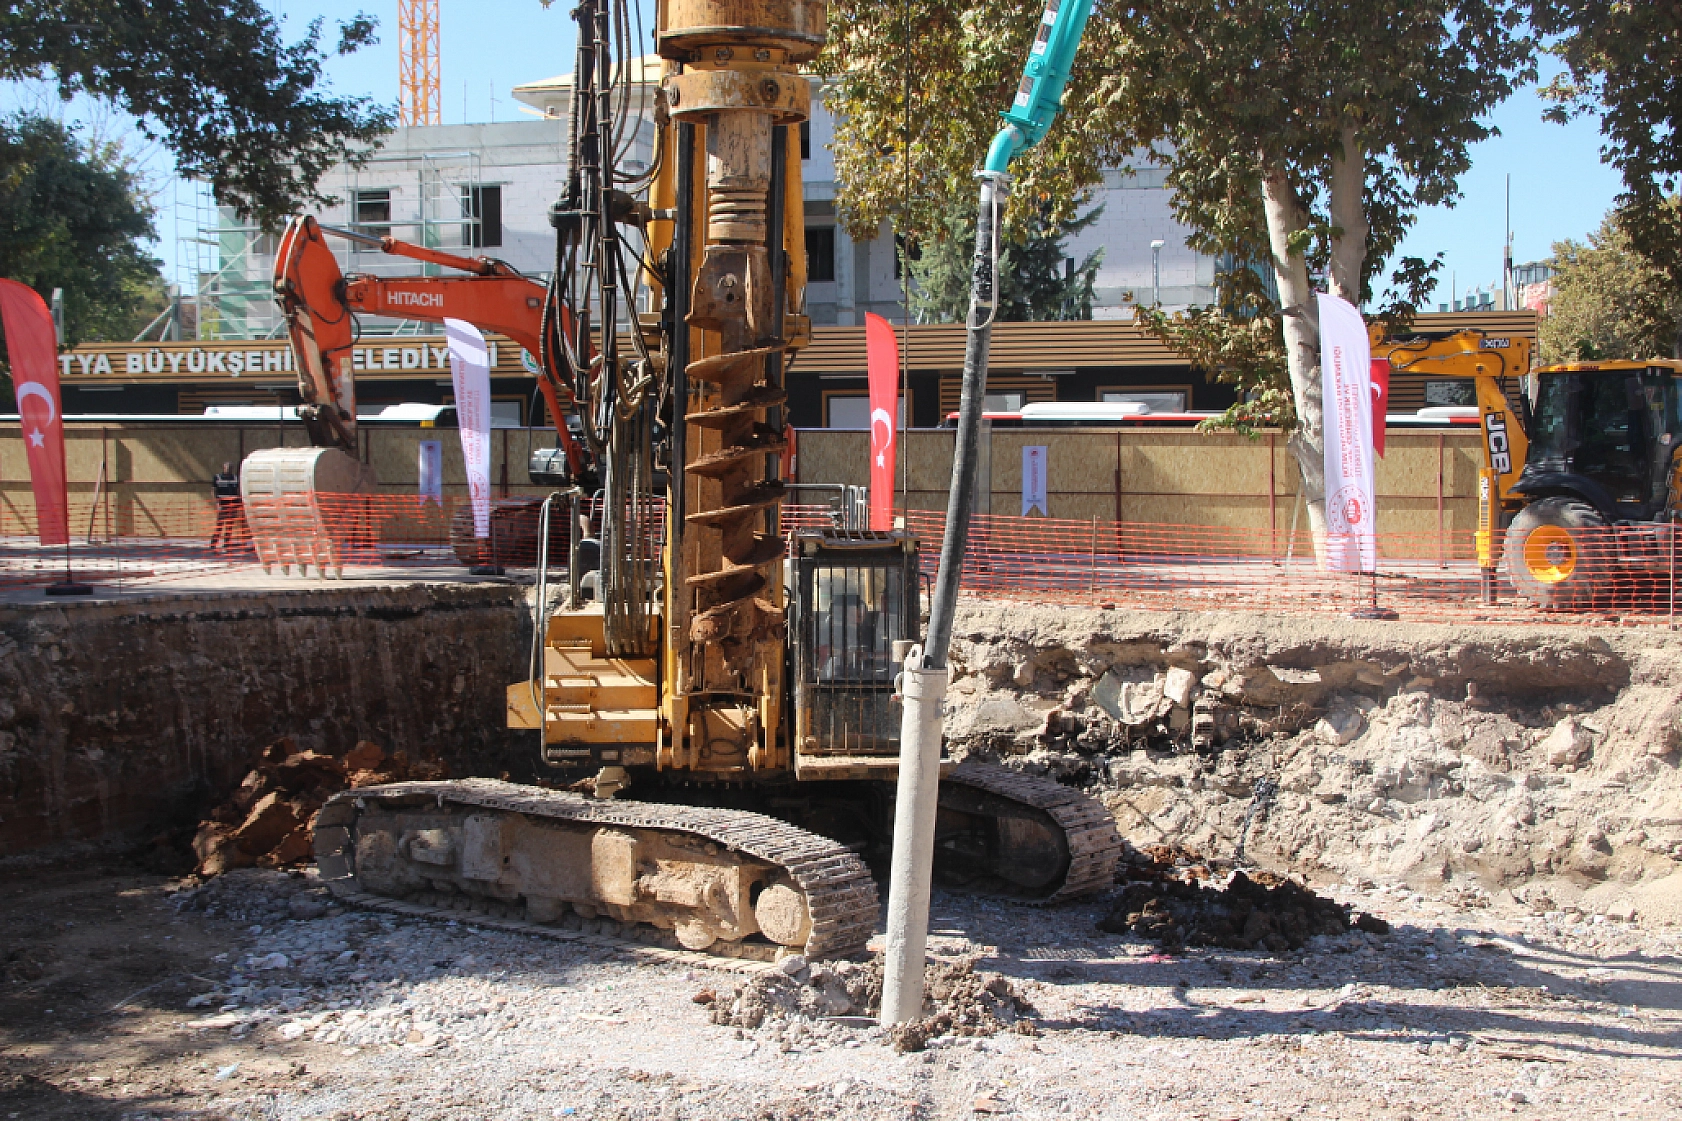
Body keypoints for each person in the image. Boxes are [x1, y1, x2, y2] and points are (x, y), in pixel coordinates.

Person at [209, 461, 244, 553]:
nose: (228, 469)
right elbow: (213, 490)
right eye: (227, 467)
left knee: (229, 526)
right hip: (222, 504)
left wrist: (239, 503)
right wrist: (216, 503)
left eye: (230, 467)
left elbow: (238, 490)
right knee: (219, 526)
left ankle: (227, 544)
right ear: (223, 468)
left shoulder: (236, 478)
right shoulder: (218, 478)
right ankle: (213, 544)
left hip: (232, 505)